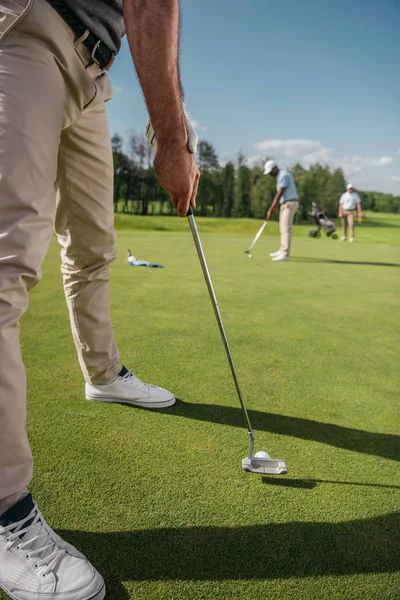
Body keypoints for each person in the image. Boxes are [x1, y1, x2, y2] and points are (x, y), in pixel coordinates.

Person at [0, 0, 199, 598]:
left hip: (92, 75)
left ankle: (103, 372)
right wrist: (171, 139)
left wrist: (174, 124)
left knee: (92, 246)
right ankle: (4, 511)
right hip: (26, 27)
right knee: (5, 265)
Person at [264, 160, 299, 262]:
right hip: (285, 204)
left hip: (290, 203)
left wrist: (271, 209)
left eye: (270, 171)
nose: (270, 174)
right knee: (282, 228)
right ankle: (282, 250)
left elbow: (279, 193)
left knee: (286, 228)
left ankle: (285, 253)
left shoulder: (283, 175)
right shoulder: (279, 177)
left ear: (275, 168)